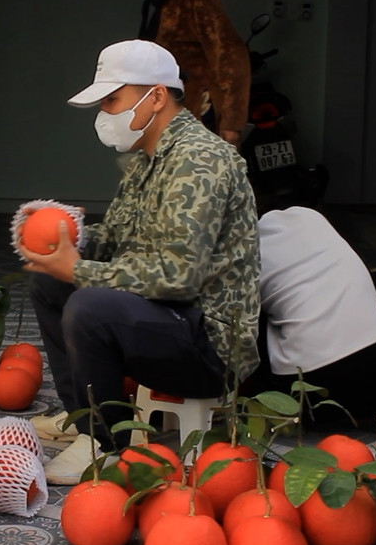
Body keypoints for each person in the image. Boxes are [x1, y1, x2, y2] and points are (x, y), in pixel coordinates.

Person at [21, 40, 260, 484]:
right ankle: (84, 416)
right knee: (51, 285)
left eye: (112, 99)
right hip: (167, 317)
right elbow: (113, 240)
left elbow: (179, 276)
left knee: (88, 303)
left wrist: (79, 269)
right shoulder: (147, 161)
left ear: (156, 96)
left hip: (208, 346)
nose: (105, 113)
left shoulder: (199, 160)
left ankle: (104, 442)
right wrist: (65, 234)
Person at [247, 186, 376, 435]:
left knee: (251, 313)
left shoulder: (242, 246)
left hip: (305, 397)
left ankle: (260, 397)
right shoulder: (312, 219)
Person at [132, 0, 250, 146]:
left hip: (197, 117)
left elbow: (230, 56)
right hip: (169, 119)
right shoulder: (161, 2)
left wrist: (231, 123)